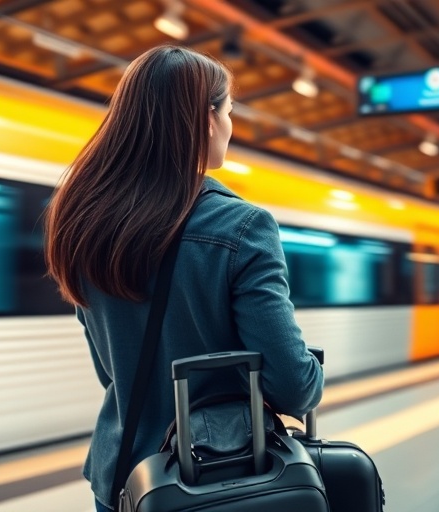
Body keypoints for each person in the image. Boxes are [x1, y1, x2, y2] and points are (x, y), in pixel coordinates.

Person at [43, 45, 324, 512]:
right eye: (230, 111)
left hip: (127, 481)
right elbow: (292, 386)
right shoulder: (244, 227)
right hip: (221, 480)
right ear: (207, 119)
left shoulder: (79, 221)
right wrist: (311, 370)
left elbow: (112, 370)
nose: (231, 127)